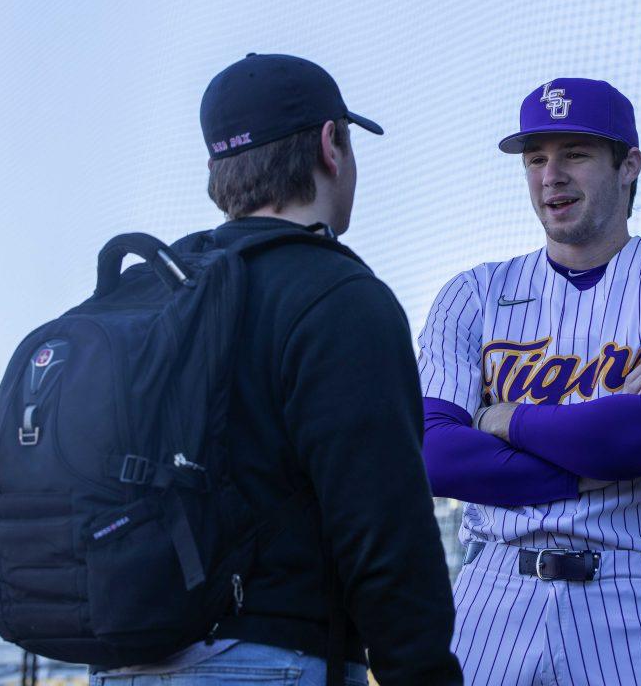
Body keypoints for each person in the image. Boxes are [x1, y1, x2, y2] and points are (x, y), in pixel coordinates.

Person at [90, 53, 462, 686]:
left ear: (217, 170)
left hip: (125, 665)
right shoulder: (337, 295)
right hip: (268, 661)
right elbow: (384, 536)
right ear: (331, 145)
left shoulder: (151, 289)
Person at [418, 78, 641, 685]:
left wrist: (502, 419)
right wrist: (596, 461)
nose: (550, 175)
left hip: (627, 595)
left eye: (576, 154)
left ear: (628, 164)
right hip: (492, 594)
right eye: (536, 158)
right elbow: (434, 455)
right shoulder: (471, 295)